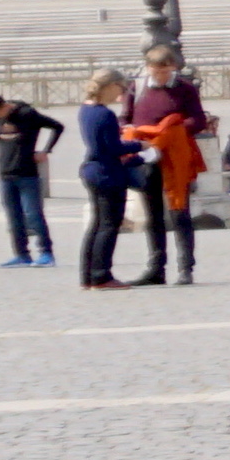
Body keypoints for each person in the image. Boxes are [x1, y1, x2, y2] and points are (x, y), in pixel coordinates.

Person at [124, 49, 209, 285]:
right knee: (152, 213)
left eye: (164, 70)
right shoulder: (137, 87)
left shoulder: (184, 88)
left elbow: (198, 120)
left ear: (172, 67)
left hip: (176, 155)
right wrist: (135, 133)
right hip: (146, 154)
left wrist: (173, 130)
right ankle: (156, 267)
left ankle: (185, 268)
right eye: (155, 70)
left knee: (179, 211)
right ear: (148, 67)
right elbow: (125, 117)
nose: (160, 75)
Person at [71, 69, 140, 288]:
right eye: (120, 88)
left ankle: (87, 276)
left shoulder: (85, 110)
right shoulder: (105, 114)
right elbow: (113, 147)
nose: (121, 94)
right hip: (107, 172)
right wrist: (141, 145)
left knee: (96, 224)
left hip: (91, 169)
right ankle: (101, 275)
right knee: (109, 225)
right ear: (109, 86)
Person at [0, 93, 56, 267]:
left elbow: (57, 126)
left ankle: (46, 253)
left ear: (3, 106)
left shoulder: (27, 114)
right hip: (5, 173)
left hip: (27, 173)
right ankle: (22, 254)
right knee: (13, 216)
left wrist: (46, 150)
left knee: (33, 214)